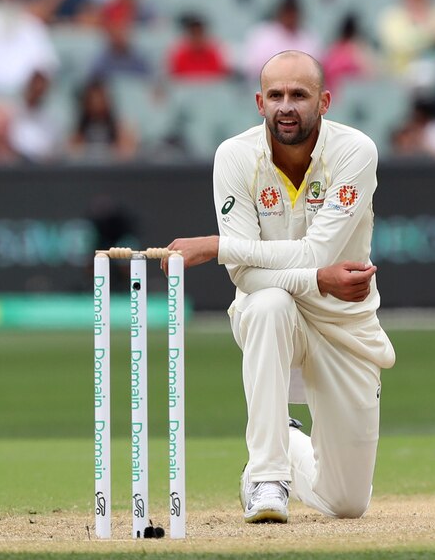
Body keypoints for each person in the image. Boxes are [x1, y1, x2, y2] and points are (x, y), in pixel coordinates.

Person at [162, 51, 395, 524]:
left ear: (325, 101)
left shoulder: (354, 152)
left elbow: (316, 253)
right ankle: (267, 475)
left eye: (299, 95)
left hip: (344, 324)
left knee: (347, 503)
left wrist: (216, 245)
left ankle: (284, 440)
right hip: (276, 313)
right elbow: (246, 276)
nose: (286, 106)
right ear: (259, 101)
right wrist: (310, 279)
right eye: (276, 95)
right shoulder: (235, 156)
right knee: (267, 303)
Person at [242, 0, 321, 83]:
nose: (291, 17)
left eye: (293, 13)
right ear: (280, 13)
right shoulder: (263, 35)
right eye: (287, 12)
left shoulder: (309, 37)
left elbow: (315, 71)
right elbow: (252, 68)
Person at [167, 13, 229, 81]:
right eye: (193, 33)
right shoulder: (180, 56)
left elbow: (221, 78)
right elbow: (174, 80)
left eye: (199, 32)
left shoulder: (213, 55)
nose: (197, 36)